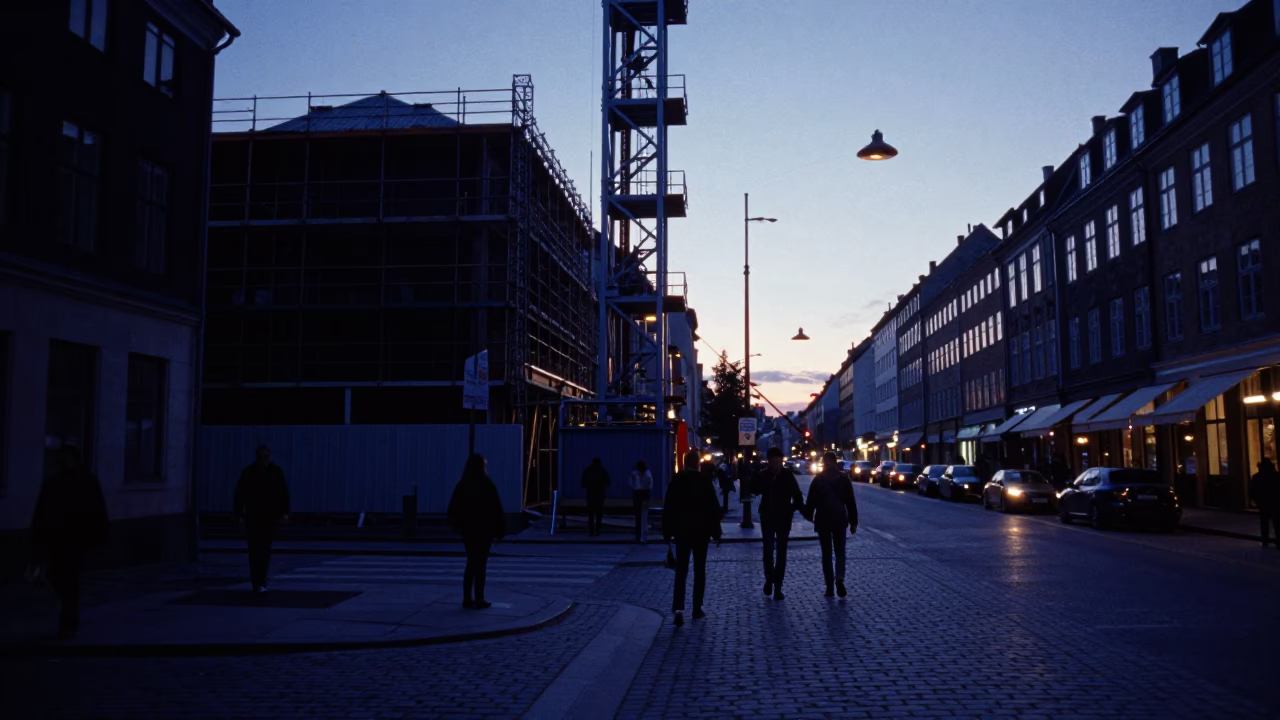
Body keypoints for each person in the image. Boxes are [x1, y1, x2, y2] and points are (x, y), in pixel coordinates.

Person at [30, 446, 109, 639]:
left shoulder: (86, 482)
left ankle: (68, 621)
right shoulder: (54, 483)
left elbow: (98, 508)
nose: (63, 462)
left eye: (66, 458)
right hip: (58, 538)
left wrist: (98, 534)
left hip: (75, 538)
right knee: (60, 577)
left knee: (68, 578)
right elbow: (42, 511)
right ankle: (69, 616)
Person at [664, 450, 723, 627]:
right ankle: (697, 607)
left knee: (681, 570)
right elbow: (713, 508)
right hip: (701, 531)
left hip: (682, 531)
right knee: (700, 570)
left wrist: (667, 532)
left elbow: (669, 507)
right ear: (698, 464)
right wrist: (716, 532)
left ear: (684, 463)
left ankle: (678, 608)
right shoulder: (704, 481)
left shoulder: (677, 480)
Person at [447, 454, 507, 608]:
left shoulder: (463, 484)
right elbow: (496, 508)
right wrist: (500, 530)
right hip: (484, 530)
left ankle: (467, 598)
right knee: (481, 564)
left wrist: (457, 525)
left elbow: (453, 508)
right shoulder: (487, 484)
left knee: (471, 562)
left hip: (468, 530)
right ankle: (479, 597)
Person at [752, 446, 808, 600]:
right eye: (773, 462)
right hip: (767, 517)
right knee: (768, 551)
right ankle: (769, 578)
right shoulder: (764, 476)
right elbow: (753, 489)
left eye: (778, 462)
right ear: (769, 462)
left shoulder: (787, 476)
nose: (776, 465)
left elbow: (797, 497)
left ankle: (778, 586)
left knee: (781, 553)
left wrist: (791, 509)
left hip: (784, 519)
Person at [233, 445, 291, 593]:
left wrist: (284, 512)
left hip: (267, 516)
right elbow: (240, 494)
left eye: (266, 456)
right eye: (262, 457)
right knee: (255, 550)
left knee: (264, 549)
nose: (264, 459)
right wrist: (239, 514)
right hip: (254, 515)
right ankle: (257, 581)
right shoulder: (250, 472)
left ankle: (260, 580)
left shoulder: (274, 472)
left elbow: (283, 492)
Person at [806, 451, 859, 598]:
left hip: (823, 519)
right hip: (840, 519)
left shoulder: (818, 479)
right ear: (835, 462)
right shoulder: (843, 478)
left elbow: (811, 500)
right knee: (840, 552)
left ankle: (829, 587)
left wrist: (809, 515)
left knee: (827, 554)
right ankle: (840, 578)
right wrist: (853, 522)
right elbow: (850, 501)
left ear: (824, 462)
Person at [1249, 458, 1279, 548]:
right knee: (1277, 523)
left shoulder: (1256, 477)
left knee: (1264, 523)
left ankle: (1265, 540)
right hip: (1275, 503)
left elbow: (1252, 491)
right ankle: (1278, 541)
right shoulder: (1276, 476)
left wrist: (1257, 501)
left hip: (1263, 503)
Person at [581, 458, 610, 537]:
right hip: (600, 494)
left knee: (591, 513)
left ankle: (591, 530)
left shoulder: (587, 470)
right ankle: (597, 529)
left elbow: (583, 483)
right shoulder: (602, 470)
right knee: (599, 513)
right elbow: (607, 482)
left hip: (590, 494)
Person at [629, 460, 654, 543]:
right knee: (643, 516)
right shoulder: (647, 474)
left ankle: (639, 535)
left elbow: (632, 484)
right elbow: (650, 485)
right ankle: (643, 535)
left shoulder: (635, 474)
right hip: (645, 495)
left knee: (639, 516)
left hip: (638, 495)